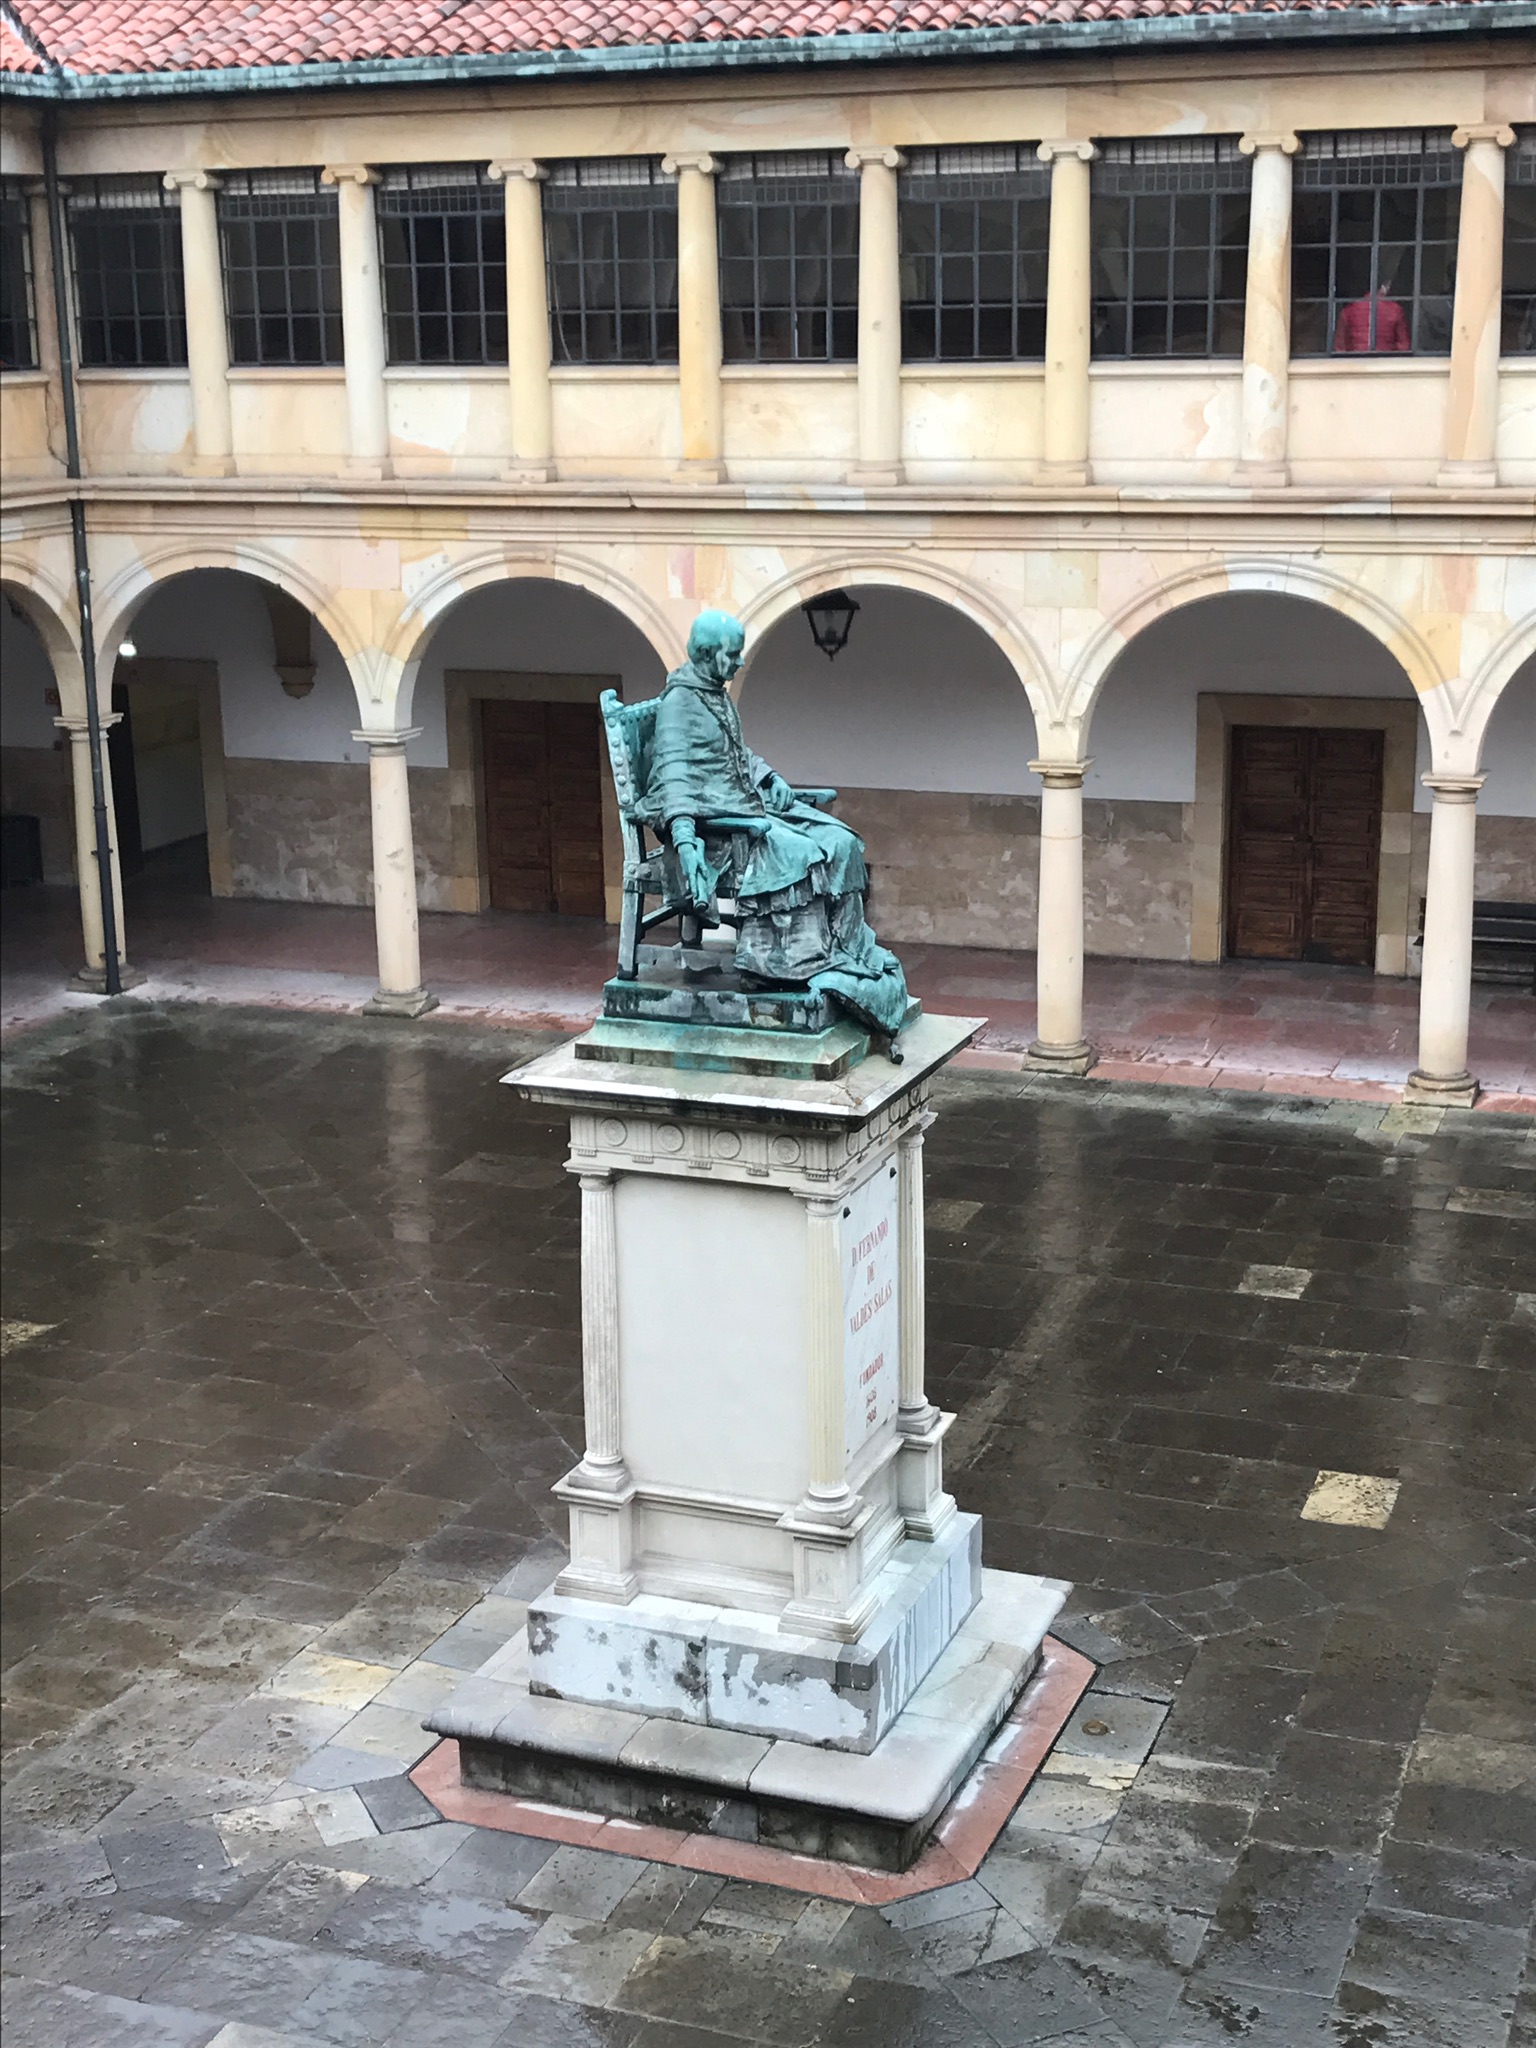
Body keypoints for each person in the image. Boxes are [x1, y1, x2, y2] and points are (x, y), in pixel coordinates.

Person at [642, 609, 909, 1037]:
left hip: (747, 806)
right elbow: (674, 781)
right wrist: (687, 844)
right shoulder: (679, 704)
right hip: (718, 830)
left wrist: (770, 778)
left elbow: (737, 754)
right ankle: (787, 960)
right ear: (707, 655)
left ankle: (841, 948)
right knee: (800, 853)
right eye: (732, 655)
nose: (739, 662)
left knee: (840, 840)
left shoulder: (713, 693)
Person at [1333, 285, 1410, 353]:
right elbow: (1403, 345)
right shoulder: (1395, 309)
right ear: (1382, 287)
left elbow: (1340, 345)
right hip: (1386, 360)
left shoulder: (1349, 310)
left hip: (1356, 360)